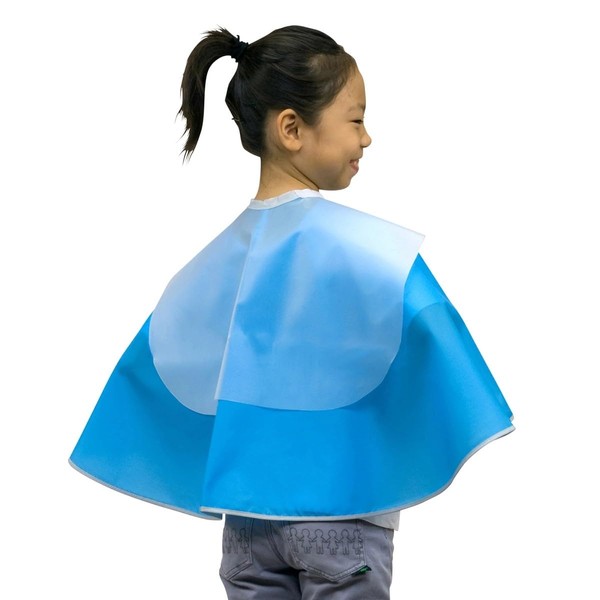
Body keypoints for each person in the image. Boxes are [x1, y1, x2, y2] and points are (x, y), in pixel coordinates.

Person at [69, 25, 514, 599]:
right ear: (292, 128)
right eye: (355, 119)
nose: (367, 138)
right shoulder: (371, 252)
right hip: (342, 514)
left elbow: (159, 365)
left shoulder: (209, 264)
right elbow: (434, 332)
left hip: (245, 526)